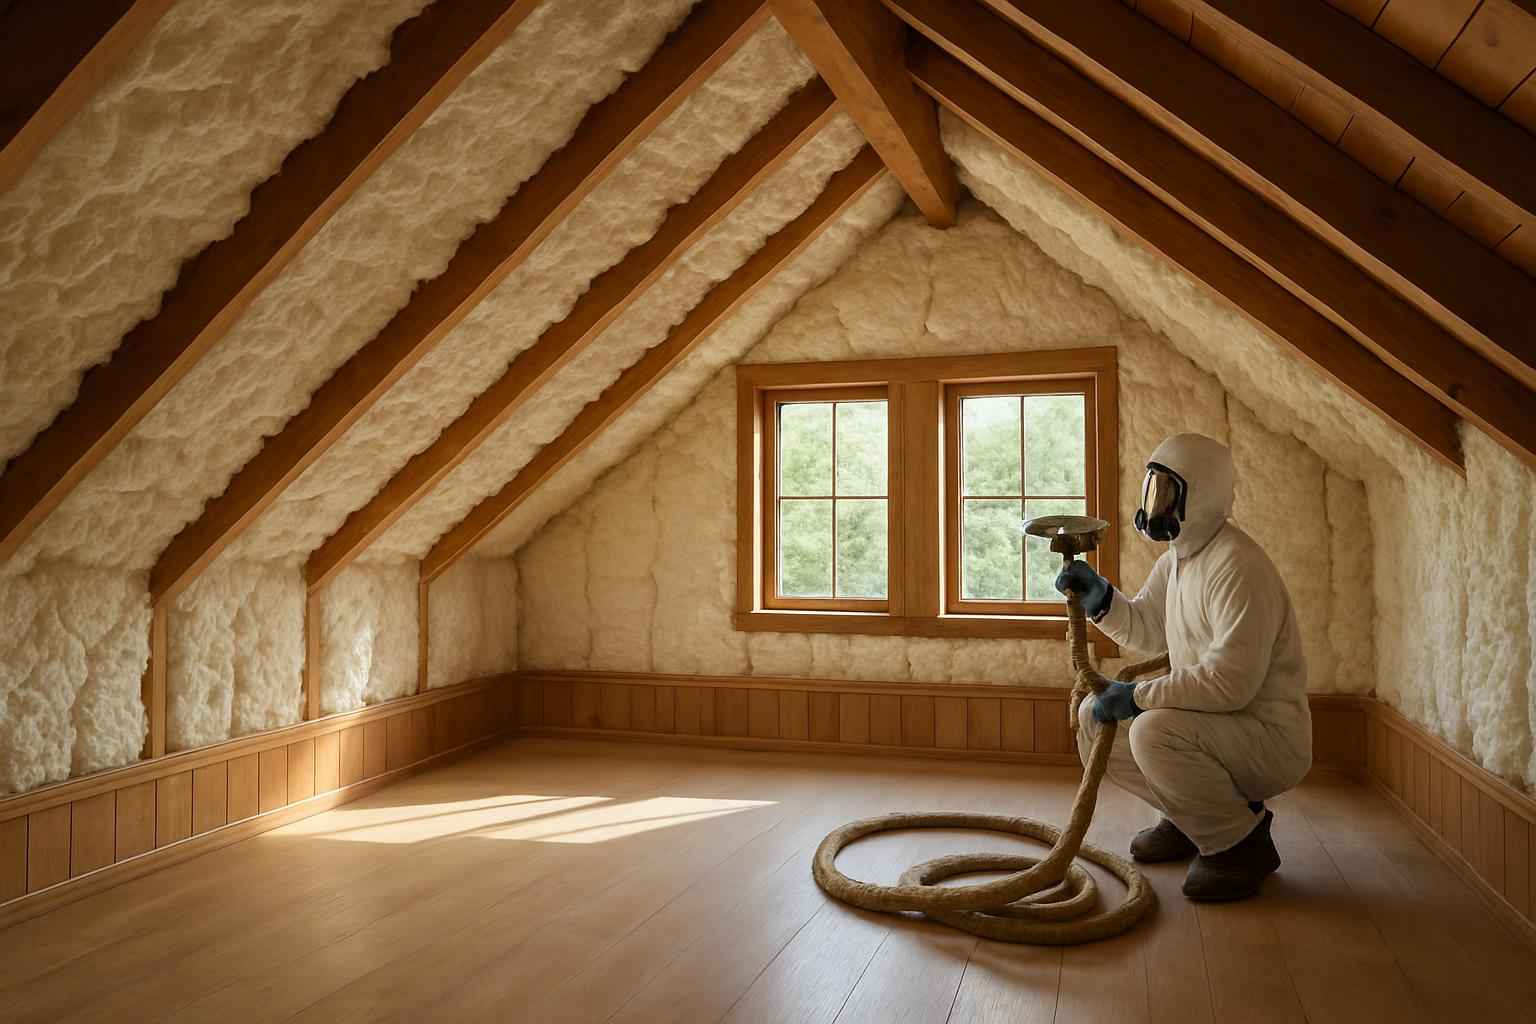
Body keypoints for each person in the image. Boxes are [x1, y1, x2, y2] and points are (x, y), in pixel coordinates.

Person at [1055, 433, 1310, 902]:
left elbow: (1230, 684)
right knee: (1094, 717)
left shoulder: (1239, 567)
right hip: (1214, 725)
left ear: (1204, 495)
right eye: (1153, 490)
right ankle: (1193, 818)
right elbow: (1149, 629)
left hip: (1266, 736)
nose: (1156, 506)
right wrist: (1101, 598)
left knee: (1151, 732)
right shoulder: (1180, 559)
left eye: (1168, 493)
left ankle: (1239, 843)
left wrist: (1136, 697)